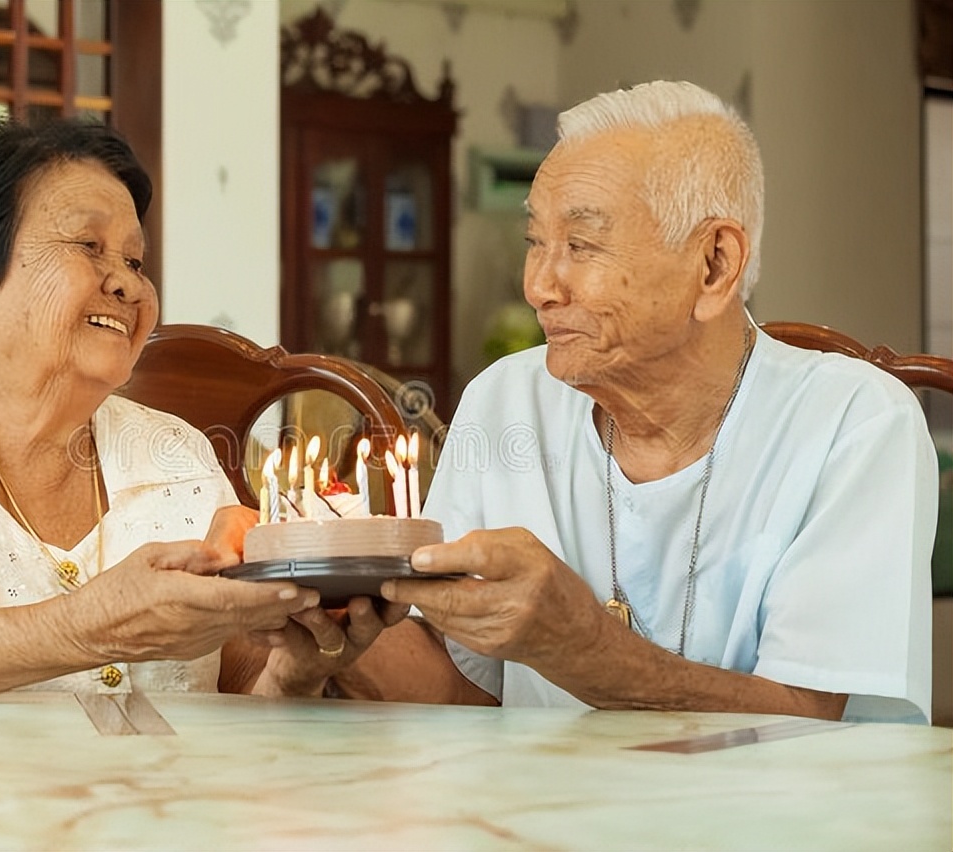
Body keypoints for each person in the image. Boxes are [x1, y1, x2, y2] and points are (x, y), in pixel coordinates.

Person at [322, 80, 937, 723]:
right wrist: (329, 620)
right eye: (536, 242)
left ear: (714, 266)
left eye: (581, 246)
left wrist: (584, 647)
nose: (538, 287)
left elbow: (807, 726)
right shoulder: (505, 401)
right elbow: (465, 685)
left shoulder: (857, 425)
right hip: (539, 817)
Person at [0, 116, 388, 704]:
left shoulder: (176, 451)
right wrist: (89, 626)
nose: (129, 284)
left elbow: (243, 694)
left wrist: (294, 672)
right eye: (89, 245)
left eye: (135, 260)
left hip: (162, 816)